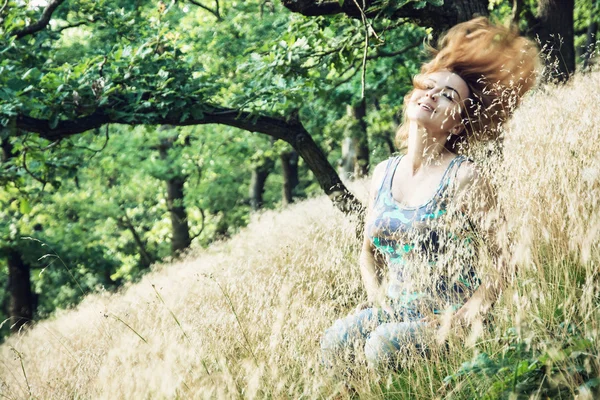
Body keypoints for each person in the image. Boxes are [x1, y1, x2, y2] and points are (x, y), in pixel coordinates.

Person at [321, 17, 539, 369]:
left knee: (382, 345)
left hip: (445, 322)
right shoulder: (383, 173)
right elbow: (368, 253)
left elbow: (504, 259)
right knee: (337, 341)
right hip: (393, 311)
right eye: (428, 87)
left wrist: (466, 317)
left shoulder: (465, 176)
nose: (433, 96)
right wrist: (376, 300)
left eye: (448, 95)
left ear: (456, 122)